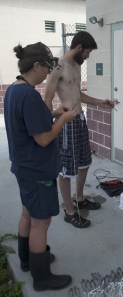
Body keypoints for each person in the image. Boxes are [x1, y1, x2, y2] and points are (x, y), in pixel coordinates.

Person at [4, 42, 77, 291]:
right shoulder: (30, 96)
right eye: (47, 67)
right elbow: (43, 138)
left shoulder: (14, 89)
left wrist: (55, 114)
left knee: (28, 214)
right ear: (36, 65)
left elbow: (31, 125)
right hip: (37, 171)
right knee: (40, 222)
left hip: (23, 167)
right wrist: (66, 118)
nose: (49, 73)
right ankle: (42, 277)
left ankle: (28, 260)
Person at [45, 31, 114, 228]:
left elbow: (78, 94)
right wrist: (51, 119)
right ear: (79, 48)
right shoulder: (58, 67)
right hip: (66, 123)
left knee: (84, 162)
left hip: (80, 119)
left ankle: (80, 198)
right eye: (88, 52)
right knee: (66, 168)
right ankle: (69, 211)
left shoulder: (75, 66)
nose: (88, 56)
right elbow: (48, 98)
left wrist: (100, 102)